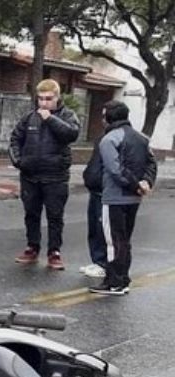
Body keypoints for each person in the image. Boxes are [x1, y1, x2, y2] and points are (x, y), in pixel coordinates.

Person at [9, 79, 81, 270]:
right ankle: (32, 247)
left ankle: (54, 252)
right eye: (40, 99)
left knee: (55, 216)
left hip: (55, 176)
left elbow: (71, 134)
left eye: (48, 99)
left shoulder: (68, 115)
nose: (43, 103)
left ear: (57, 98)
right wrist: (18, 161)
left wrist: (50, 118)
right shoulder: (29, 118)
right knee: (31, 213)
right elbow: (15, 138)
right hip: (30, 175)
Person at [89, 101, 157, 295]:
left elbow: (115, 170)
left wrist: (135, 185)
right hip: (134, 199)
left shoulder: (109, 139)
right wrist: (145, 183)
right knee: (124, 239)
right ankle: (123, 279)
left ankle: (114, 281)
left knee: (113, 241)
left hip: (114, 198)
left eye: (103, 116)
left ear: (109, 118)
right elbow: (151, 164)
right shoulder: (142, 139)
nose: (102, 120)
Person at [80, 122, 109, 279]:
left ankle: (103, 263)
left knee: (102, 229)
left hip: (106, 191)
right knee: (94, 228)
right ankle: (97, 260)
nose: (103, 120)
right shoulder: (102, 138)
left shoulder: (116, 139)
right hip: (95, 188)